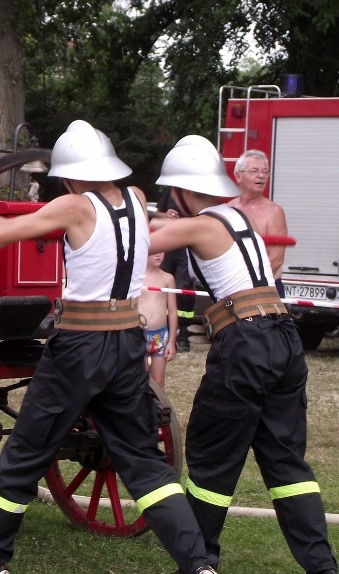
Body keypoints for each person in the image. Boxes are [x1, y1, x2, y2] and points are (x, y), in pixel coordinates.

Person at [0, 120, 214, 574]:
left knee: (24, 454)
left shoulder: (74, 205)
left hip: (79, 344)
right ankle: (199, 565)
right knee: (146, 464)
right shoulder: (138, 199)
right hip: (127, 341)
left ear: (70, 174)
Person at [149, 135, 337, 574]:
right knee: (287, 463)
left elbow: (141, 237)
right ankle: (323, 567)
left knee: (213, 457)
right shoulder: (237, 216)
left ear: (177, 190)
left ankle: (201, 563)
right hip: (283, 337)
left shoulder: (201, 223)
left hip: (246, 341)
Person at [227, 149, 287, 296]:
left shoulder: (274, 212)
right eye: (254, 171)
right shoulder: (227, 210)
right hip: (232, 287)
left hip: (266, 288)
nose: (261, 176)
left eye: (265, 172)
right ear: (238, 176)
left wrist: (250, 287)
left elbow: (276, 259)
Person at [152, 187, 195, 352]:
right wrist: (167, 215)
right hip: (168, 247)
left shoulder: (197, 191)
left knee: (185, 290)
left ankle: (183, 333)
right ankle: (165, 330)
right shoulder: (171, 191)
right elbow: (158, 213)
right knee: (163, 287)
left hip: (187, 246)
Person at [139, 252, 177, 387]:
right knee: (139, 379)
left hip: (160, 336)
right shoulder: (136, 277)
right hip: (139, 335)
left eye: (161, 252)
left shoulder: (167, 278)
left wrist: (172, 342)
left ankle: (159, 408)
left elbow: (172, 311)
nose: (158, 255)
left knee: (158, 380)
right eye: (153, 252)